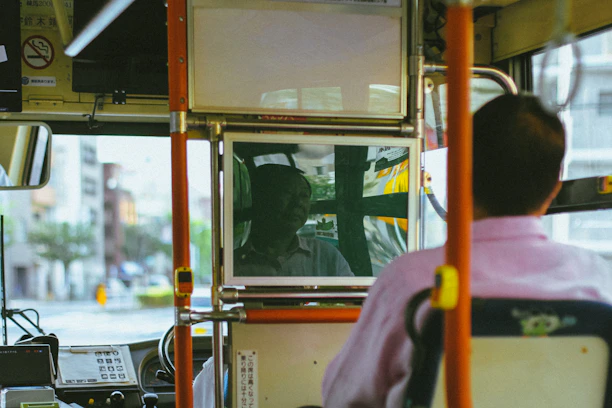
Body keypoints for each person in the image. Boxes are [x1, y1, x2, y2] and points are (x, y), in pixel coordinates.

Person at [321, 94, 612, 407]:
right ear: (555, 187)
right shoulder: (598, 280)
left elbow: (343, 398)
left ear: (459, 174)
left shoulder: (409, 280)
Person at [234, 163, 353, 277]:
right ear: (261, 200)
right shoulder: (232, 264)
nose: (298, 203)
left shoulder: (326, 255)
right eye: (287, 193)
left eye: (304, 196)